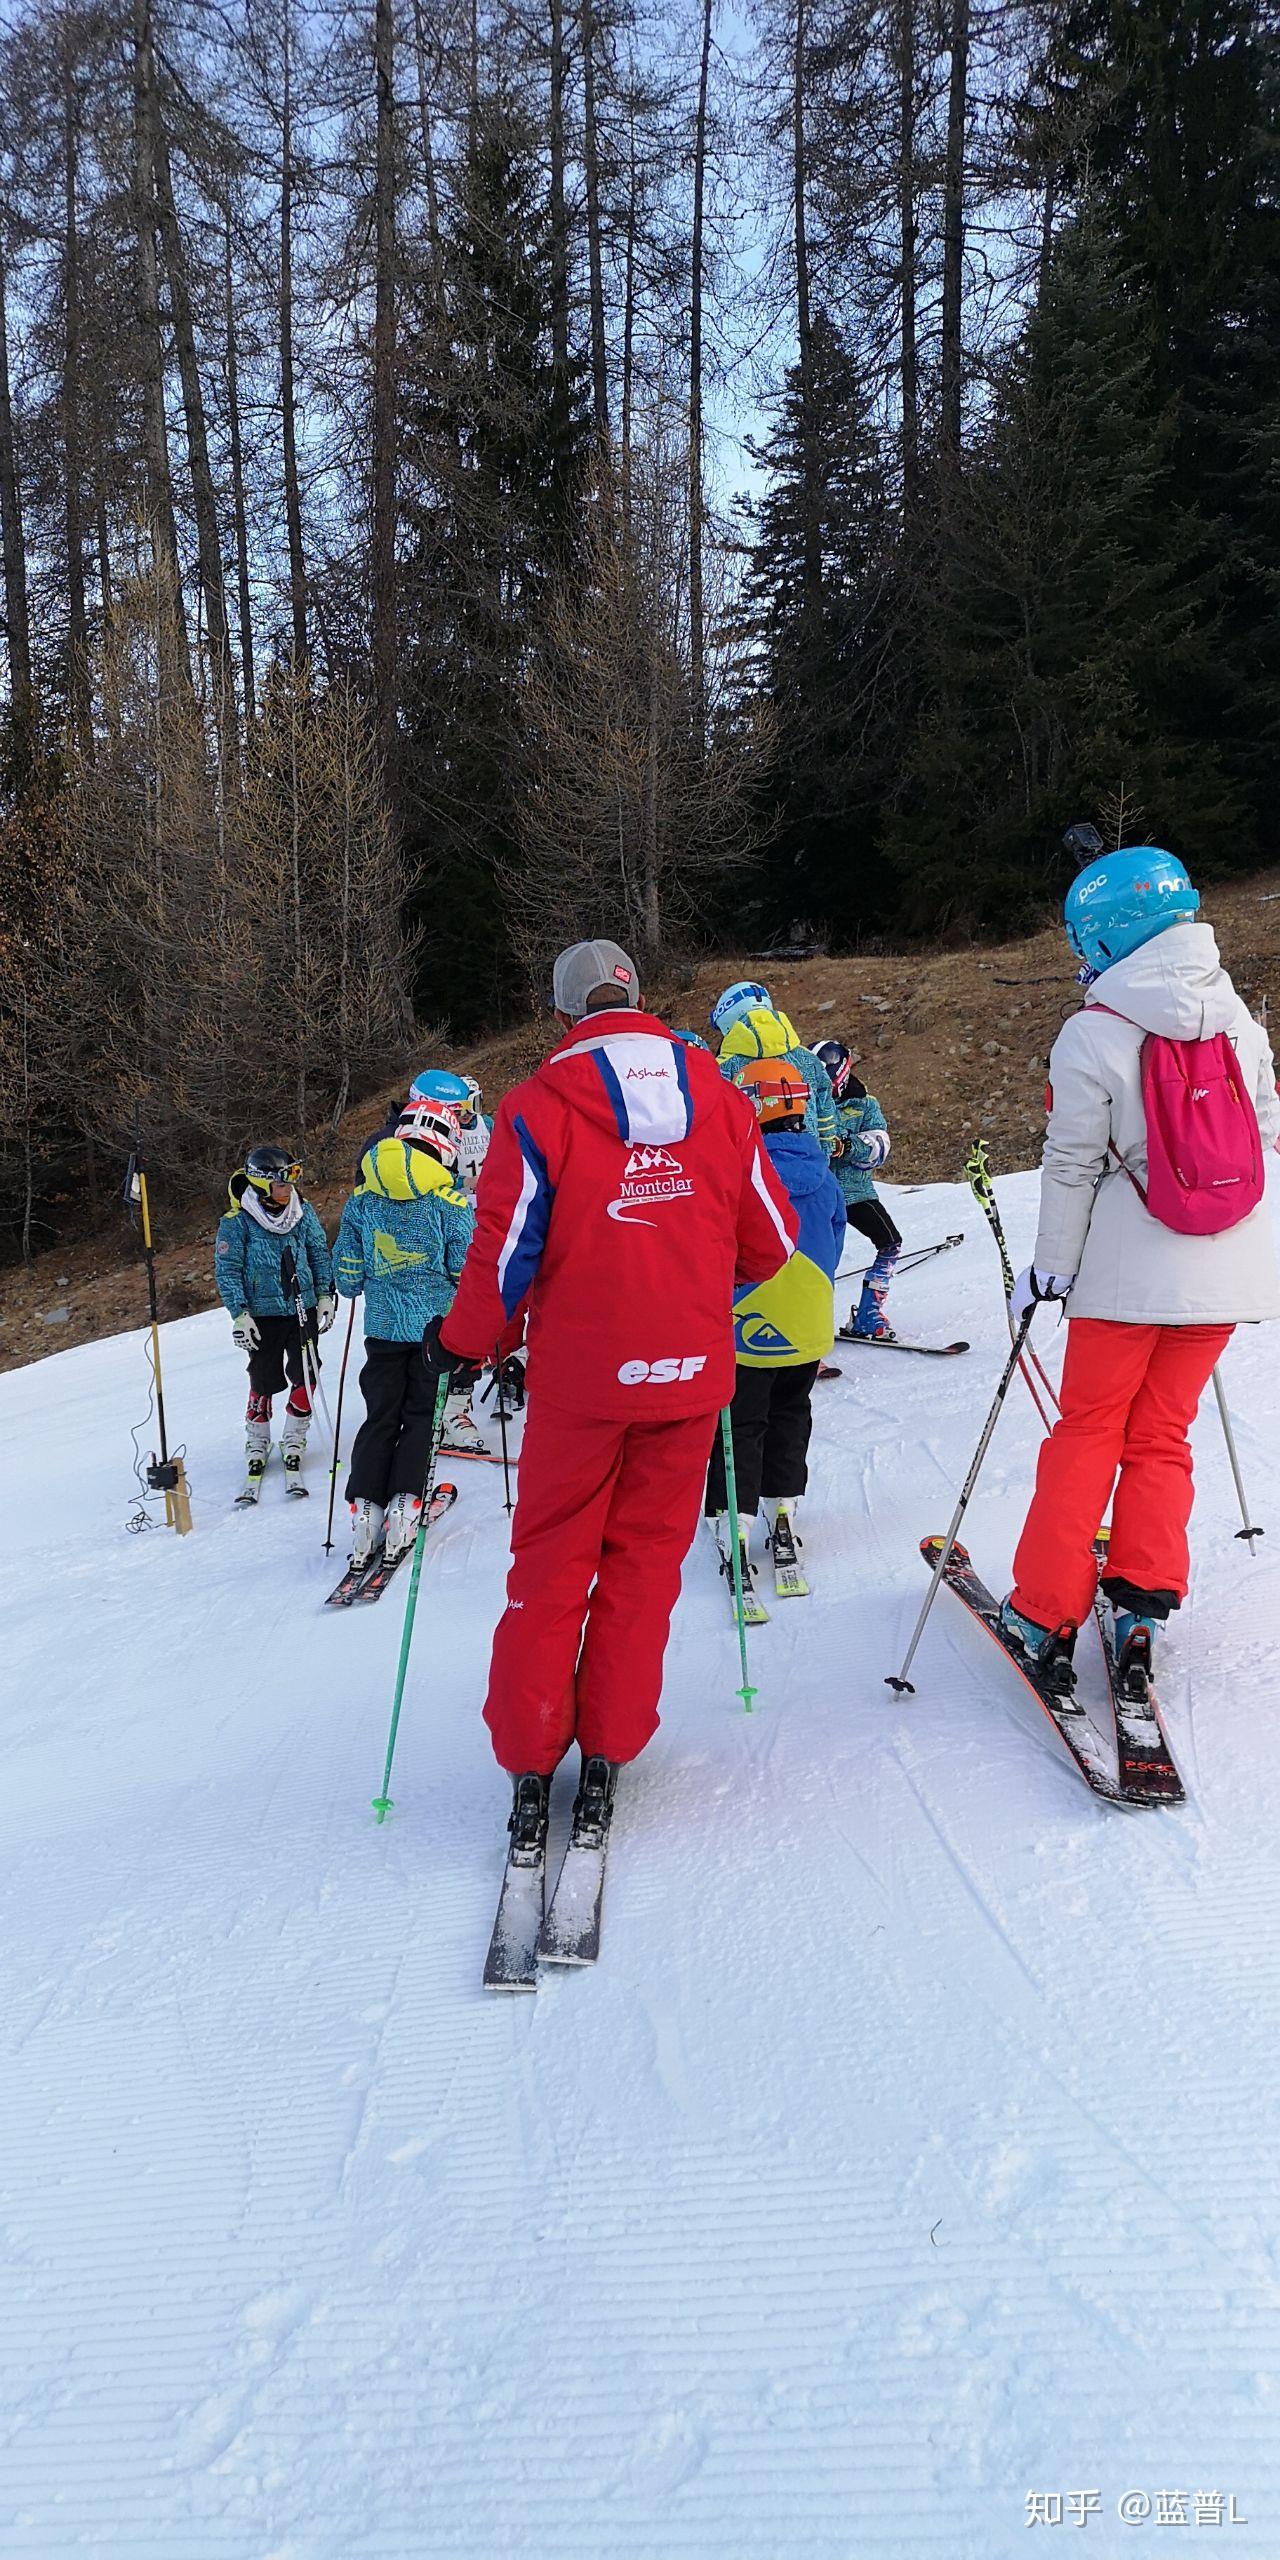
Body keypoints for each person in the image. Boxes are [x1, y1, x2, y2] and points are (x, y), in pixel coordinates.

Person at [421, 937, 798, 1856]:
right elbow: (773, 1241)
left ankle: (529, 1749)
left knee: (552, 1566)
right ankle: (610, 1748)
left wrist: (464, 1344)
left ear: (564, 1015)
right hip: (686, 1383)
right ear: (638, 997)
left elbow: (505, 1258)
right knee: (642, 1570)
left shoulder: (536, 1108)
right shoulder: (717, 1094)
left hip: (582, 1388)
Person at [998, 844, 1279, 1692]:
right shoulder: (1240, 1021)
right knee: (1162, 1435)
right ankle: (1141, 1604)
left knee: (1089, 1432)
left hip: (1123, 1281)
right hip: (1221, 1274)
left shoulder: (1094, 1030)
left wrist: (1047, 1272)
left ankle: (1044, 1612)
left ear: (1112, 934)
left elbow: (1072, 1165)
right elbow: (1265, 1140)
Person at [705, 1057, 845, 1599]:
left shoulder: (743, 1170)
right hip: (808, 1322)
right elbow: (833, 1240)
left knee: (740, 1424)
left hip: (748, 1323)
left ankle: (733, 1519)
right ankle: (782, 1509)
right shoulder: (823, 1173)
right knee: (792, 1412)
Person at [334, 1104, 475, 1566]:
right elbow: (463, 1269)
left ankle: (365, 1510)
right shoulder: (448, 1202)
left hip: (382, 1330)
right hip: (435, 1332)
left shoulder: (361, 1199)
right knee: (420, 1417)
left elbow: (348, 1278)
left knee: (380, 1416)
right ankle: (405, 1505)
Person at [214, 1145, 335, 1491]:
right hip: (263, 1313)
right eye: (284, 1181)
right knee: (263, 1377)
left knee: (306, 1371)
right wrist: (239, 1313)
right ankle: (258, 1436)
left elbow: (317, 1252)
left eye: (293, 1178)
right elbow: (228, 1270)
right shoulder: (238, 1222)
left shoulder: (302, 1210)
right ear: (262, 1184)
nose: (290, 1187)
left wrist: (325, 1294)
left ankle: (295, 1435)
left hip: (302, 1306)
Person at [814, 1038, 901, 1340]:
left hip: (854, 1192)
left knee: (890, 1242)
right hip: (819, 1193)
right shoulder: (805, 1101)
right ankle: (809, 1326)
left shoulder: (864, 1104)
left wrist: (849, 1145)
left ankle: (868, 1314)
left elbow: (880, 1144)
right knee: (816, 1258)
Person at [710, 980, 837, 1156]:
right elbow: (826, 1110)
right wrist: (825, 1153)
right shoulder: (808, 1058)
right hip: (809, 1164)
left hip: (754, 1172)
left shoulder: (721, 1068)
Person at [353, 1068, 471, 1186]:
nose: (458, 1121)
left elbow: (447, 1181)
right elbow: (365, 1188)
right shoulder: (383, 1142)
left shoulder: (444, 1138)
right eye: (456, 1113)